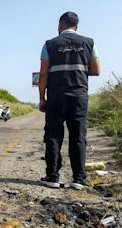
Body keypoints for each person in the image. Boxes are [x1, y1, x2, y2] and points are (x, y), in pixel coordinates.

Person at [38, 12, 101, 189]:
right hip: (79, 96)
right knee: (78, 136)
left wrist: (42, 98)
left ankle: (52, 177)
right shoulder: (89, 43)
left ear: (60, 26)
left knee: (53, 136)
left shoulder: (50, 44)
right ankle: (79, 179)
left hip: (56, 97)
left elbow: (43, 74)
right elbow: (96, 70)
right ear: (77, 27)